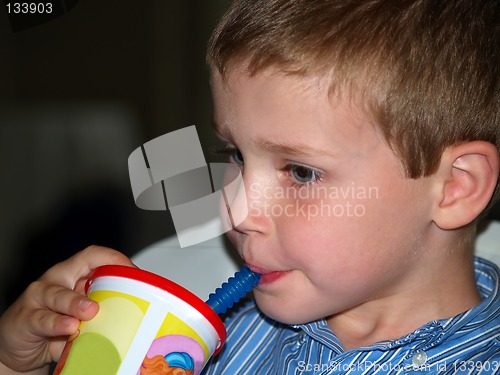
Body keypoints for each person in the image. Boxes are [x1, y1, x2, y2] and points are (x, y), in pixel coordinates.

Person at [1, 0, 499, 373]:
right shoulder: (202, 344)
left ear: (455, 187)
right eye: (236, 155)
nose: (237, 210)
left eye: (300, 171)